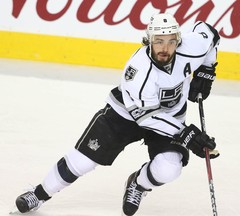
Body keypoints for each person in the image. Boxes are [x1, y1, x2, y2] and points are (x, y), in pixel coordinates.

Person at [14, 13, 220, 216]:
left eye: (170, 41)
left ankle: (137, 185)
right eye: (158, 41)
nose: (165, 48)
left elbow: (210, 33)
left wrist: (207, 70)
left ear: (178, 40)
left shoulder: (191, 47)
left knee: (169, 169)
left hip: (170, 116)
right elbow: (147, 117)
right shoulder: (138, 70)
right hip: (126, 115)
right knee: (82, 161)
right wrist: (186, 133)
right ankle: (39, 194)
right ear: (149, 40)